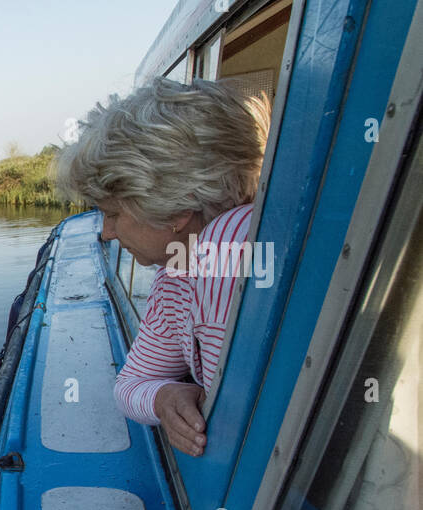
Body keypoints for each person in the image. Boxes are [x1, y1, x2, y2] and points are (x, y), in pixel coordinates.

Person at [54, 77, 271, 456]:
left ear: (177, 208)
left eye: (112, 214)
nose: (105, 232)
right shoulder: (177, 274)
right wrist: (164, 396)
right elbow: (130, 384)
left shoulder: (235, 243)